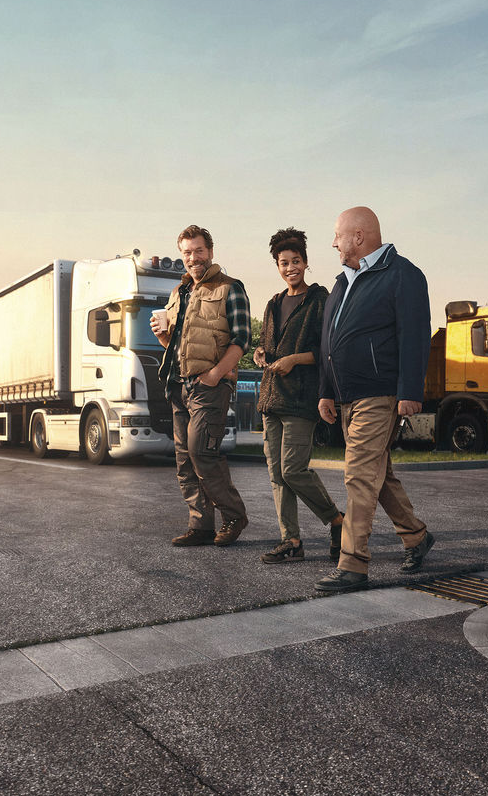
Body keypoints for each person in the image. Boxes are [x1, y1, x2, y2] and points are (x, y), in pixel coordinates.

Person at [315, 206, 435, 593]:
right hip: (347, 395)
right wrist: (326, 391)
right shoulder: (342, 281)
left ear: (360, 236)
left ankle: (353, 564)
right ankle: (416, 536)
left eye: (338, 235)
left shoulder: (403, 275)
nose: (334, 242)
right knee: (377, 477)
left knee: (359, 475)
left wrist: (410, 392)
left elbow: (415, 335)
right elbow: (328, 342)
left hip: (378, 393)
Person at [152, 225, 252, 547]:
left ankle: (234, 515)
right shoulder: (178, 293)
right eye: (187, 253)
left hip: (210, 386)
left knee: (202, 453)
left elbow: (242, 340)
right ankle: (201, 525)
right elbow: (177, 344)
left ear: (210, 250)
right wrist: (163, 336)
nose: (193, 258)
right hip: (178, 385)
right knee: (184, 459)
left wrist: (216, 374)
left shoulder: (230, 288)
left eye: (198, 251)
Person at [254, 228, 344, 565]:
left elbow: (326, 351)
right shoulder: (273, 303)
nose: (290, 267)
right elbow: (266, 342)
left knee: (293, 470)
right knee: (277, 475)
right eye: (283, 262)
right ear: (277, 266)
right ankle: (290, 540)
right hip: (270, 398)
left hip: (301, 399)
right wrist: (262, 353)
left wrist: (294, 359)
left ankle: (337, 520)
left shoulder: (319, 301)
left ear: (306, 262)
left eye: (295, 261)